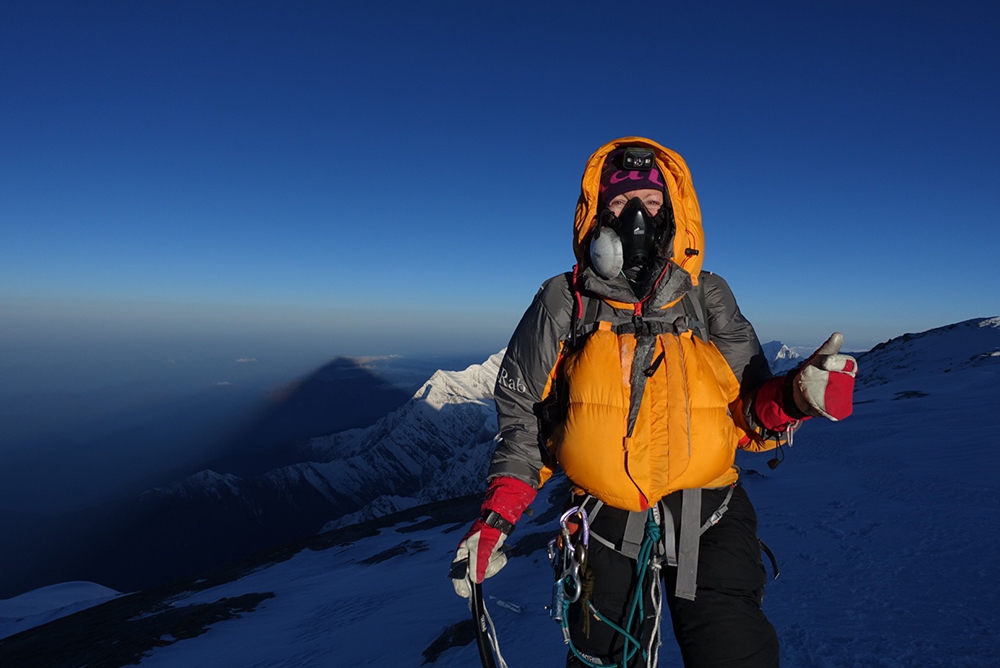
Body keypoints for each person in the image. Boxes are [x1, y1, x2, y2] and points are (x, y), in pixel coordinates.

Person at [451, 137, 857, 667]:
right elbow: (525, 419)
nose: (637, 216)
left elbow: (748, 413)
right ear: (596, 217)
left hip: (712, 512)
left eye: (651, 201)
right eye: (619, 204)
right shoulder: (565, 301)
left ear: (673, 213)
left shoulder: (707, 297)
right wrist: (496, 516)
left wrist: (797, 399)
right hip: (605, 521)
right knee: (603, 658)